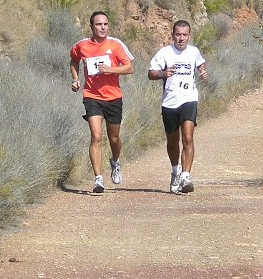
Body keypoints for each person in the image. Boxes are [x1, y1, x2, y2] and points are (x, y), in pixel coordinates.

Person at [70, 11, 134, 193]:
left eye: (105, 24)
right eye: (98, 24)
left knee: (113, 138)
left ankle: (115, 161)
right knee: (96, 136)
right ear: (91, 27)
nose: (103, 27)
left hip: (113, 97)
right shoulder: (82, 45)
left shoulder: (115, 45)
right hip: (92, 96)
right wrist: (75, 79)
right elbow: (74, 60)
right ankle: (98, 178)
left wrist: (110, 69)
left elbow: (129, 67)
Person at [148, 20, 208, 194]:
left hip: (189, 99)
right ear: (173, 35)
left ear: (189, 36)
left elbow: (200, 63)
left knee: (188, 137)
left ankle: (186, 176)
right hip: (169, 102)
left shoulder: (194, 52)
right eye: (178, 34)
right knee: (172, 141)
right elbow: (151, 73)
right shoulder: (164, 53)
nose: (181, 38)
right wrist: (162, 73)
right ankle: (176, 172)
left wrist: (202, 71)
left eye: (185, 35)